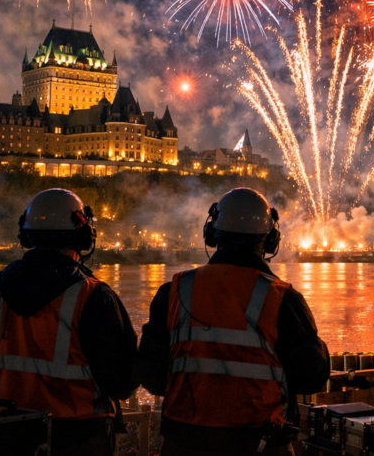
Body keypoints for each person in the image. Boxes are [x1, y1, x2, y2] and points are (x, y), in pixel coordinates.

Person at [137, 188, 330, 456]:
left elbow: (151, 376)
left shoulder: (173, 292)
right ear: (270, 239)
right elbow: (312, 378)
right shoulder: (283, 299)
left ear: (212, 233)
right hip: (260, 444)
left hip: (184, 443)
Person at [0, 188, 138, 456]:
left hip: (3, 433)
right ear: (83, 236)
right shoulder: (93, 297)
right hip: (78, 438)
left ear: (26, 235)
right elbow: (122, 381)